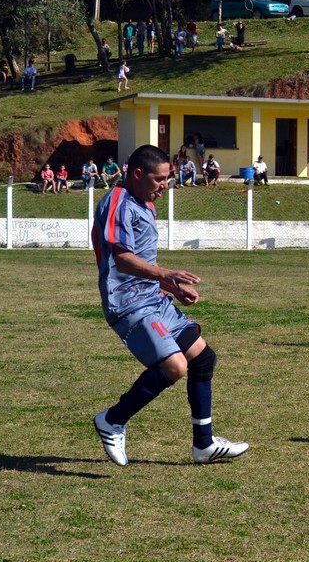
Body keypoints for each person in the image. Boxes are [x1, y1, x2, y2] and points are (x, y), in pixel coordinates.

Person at [91, 144, 249, 467]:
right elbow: (122, 260)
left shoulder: (144, 204)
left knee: (203, 358)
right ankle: (112, 420)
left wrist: (170, 287)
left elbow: (143, 263)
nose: (165, 185)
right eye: (159, 179)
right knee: (175, 367)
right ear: (137, 175)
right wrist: (166, 273)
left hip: (152, 298)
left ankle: (203, 445)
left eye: (168, 178)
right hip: (129, 304)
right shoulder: (118, 204)